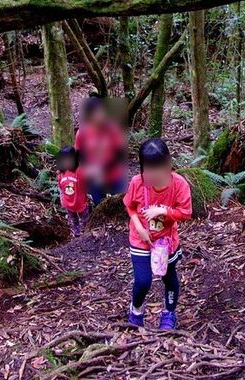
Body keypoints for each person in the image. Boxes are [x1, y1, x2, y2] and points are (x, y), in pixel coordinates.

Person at [123, 137, 193, 330]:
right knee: (143, 281)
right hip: (140, 240)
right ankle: (136, 311)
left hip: (166, 241)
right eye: (149, 169)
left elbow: (186, 213)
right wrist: (138, 226)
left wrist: (164, 211)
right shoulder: (137, 183)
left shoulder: (179, 185)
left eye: (159, 168)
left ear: (169, 164)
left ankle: (169, 313)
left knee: (169, 277)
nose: (155, 174)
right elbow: (129, 206)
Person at [74, 95, 128, 205]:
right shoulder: (83, 133)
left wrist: (102, 169)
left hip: (115, 174)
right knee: (100, 207)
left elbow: (121, 154)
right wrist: (87, 169)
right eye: (97, 112)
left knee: (122, 205)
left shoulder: (113, 129)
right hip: (95, 178)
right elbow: (79, 154)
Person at [56, 146, 88, 237]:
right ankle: (77, 234)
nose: (66, 162)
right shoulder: (61, 174)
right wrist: (61, 198)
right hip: (68, 203)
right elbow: (60, 188)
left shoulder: (79, 171)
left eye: (69, 160)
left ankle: (86, 233)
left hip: (80, 202)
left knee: (85, 219)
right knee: (73, 220)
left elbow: (86, 183)